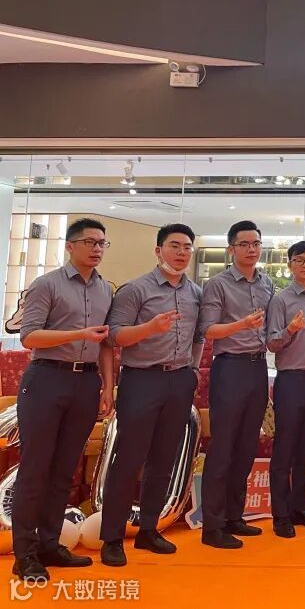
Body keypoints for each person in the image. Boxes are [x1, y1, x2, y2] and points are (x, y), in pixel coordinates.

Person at [12, 218, 115, 580]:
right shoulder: (47, 284)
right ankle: (24, 553)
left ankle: (49, 544)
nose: (97, 249)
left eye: (102, 243)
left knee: (64, 470)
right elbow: (29, 337)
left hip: (85, 383)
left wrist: (108, 386)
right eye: (90, 242)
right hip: (46, 379)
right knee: (36, 468)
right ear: (70, 246)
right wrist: (78, 333)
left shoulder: (106, 289)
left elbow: (105, 342)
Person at [100, 224, 202, 566]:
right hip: (142, 380)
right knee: (129, 459)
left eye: (187, 247)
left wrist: (193, 370)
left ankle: (148, 529)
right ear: (158, 250)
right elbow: (114, 336)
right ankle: (112, 538)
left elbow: (198, 337)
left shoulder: (196, 293)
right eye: (175, 246)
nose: (182, 253)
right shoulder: (135, 290)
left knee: (164, 458)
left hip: (179, 381)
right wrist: (149, 328)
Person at [197, 220, 275, 549]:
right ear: (231, 249)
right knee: (223, 447)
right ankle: (212, 526)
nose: (251, 249)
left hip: (258, 368)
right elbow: (208, 330)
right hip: (229, 368)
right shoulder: (218, 284)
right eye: (244, 244)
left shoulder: (267, 283)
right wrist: (241, 324)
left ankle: (234, 516)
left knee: (246, 446)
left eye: (256, 243)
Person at [265, 241, 305, 539]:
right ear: (290, 264)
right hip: (291, 380)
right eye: (300, 260)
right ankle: (281, 515)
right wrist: (290, 329)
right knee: (285, 450)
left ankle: (299, 508)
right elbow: (271, 343)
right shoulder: (281, 300)